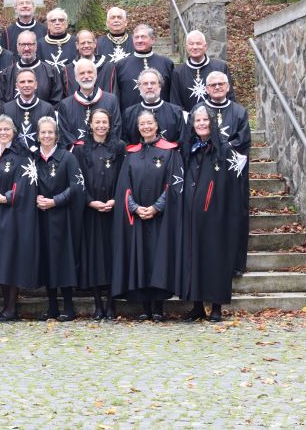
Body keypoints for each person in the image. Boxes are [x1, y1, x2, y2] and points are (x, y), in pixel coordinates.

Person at [110, 110, 183, 321]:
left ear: (157, 125)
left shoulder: (170, 152)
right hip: (138, 217)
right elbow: (124, 185)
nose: (146, 127)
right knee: (140, 258)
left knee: (157, 259)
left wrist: (157, 207)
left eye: (149, 123)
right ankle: (145, 308)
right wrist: (134, 207)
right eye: (142, 124)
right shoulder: (131, 153)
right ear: (138, 127)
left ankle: (159, 307)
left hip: (161, 217)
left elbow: (174, 184)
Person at [179, 106, 242, 322]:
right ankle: (197, 305)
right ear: (193, 124)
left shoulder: (224, 150)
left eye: (205, 119)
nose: (202, 123)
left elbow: (234, 186)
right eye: (198, 120)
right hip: (192, 216)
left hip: (217, 215)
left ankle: (216, 307)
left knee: (216, 260)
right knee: (194, 259)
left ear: (212, 122)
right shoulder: (189, 150)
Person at [0, 115, 40, 322]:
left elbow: (26, 183)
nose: (3, 133)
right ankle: (6, 307)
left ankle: (11, 309)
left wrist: (7, 197)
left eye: (7, 130)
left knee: (9, 260)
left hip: (12, 215)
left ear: (14, 132)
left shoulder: (22, 155)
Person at [72, 109, 125, 320]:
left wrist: (116, 199)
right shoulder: (80, 149)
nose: (101, 126)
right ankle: (97, 304)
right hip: (90, 211)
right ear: (90, 124)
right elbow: (77, 179)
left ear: (109, 125)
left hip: (113, 210)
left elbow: (124, 176)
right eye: (97, 122)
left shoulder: (119, 147)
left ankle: (111, 303)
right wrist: (90, 201)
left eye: (104, 122)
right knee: (93, 257)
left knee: (112, 256)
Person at [200, 71, 251, 275]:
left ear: (228, 87)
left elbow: (243, 141)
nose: (217, 87)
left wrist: (220, 147)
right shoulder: (200, 111)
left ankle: (234, 264)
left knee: (234, 216)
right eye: (213, 85)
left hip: (231, 175)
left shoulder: (239, 112)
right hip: (205, 173)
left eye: (221, 84)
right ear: (206, 88)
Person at [34, 116, 84, 321]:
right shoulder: (33, 159)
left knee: (63, 260)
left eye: (50, 132)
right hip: (40, 217)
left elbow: (77, 187)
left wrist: (55, 201)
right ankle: (52, 306)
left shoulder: (67, 158)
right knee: (46, 260)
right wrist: (34, 196)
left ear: (56, 135)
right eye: (43, 132)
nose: (47, 136)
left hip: (62, 217)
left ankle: (69, 307)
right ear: (38, 136)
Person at [57, 58, 121, 148]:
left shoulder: (111, 100)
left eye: (90, 72)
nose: (86, 76)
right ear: (76, 78)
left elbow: (116, 128)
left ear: (96, 75)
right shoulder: (65, 105)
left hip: (105, 155)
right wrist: (79, 150)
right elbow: (64, 134)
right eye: (82, 73)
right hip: (77, 156)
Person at [115, 24, 174, 113]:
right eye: (136, 37)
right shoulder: (120, 65)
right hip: (130, 119)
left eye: (143, 37)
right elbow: (117, 95)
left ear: (152, 40)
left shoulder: (166, 63)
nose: (139, 40)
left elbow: (172, 94)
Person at [0, 30, 64, 108]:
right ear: (17, 47)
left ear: (36, 46)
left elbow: (57, 101)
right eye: (23, 45)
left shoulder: (51, 71)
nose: (26, 48)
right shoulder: (6, 74)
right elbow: (0, 102)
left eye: (30, 44)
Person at [170, 30, 233, 112]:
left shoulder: (220, 67)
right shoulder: (178, 72)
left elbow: (230, 96)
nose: (195, 47)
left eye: (198, 43)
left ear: (205, 46)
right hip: (188, 122)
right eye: (191, 44)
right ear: (186, 47)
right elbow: (175, 102)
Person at [122, 68, 186, 145]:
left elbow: (182, 142)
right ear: (139, 87)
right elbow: (126, 144)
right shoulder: (129, 114)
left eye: (153, 83)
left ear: (160, 86)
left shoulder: (176, 112)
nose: (149, 87)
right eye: (145, 84)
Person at [0, 69, 55, 153]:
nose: (26, 85)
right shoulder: (6, 109)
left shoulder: (47, 108)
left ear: (36, 84)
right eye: (22, 82)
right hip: (13, 157)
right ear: (17, 86)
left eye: (30, 81)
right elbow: (2, 137)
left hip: (40, 157)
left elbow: (52, 137)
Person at [66, 29, 117, 96]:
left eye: (89, 42)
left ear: (95, 44)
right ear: (77, 45)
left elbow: (115, 95)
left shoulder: (108, 68)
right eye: (83, 43)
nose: (86, 45)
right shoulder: (67, 71)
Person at [38, 7, 77, 75]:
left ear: (66, 24)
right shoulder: (39, 44)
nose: (57, 23)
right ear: (48, 25)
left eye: (61, 20)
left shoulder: (76, 42)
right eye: (53, 20)